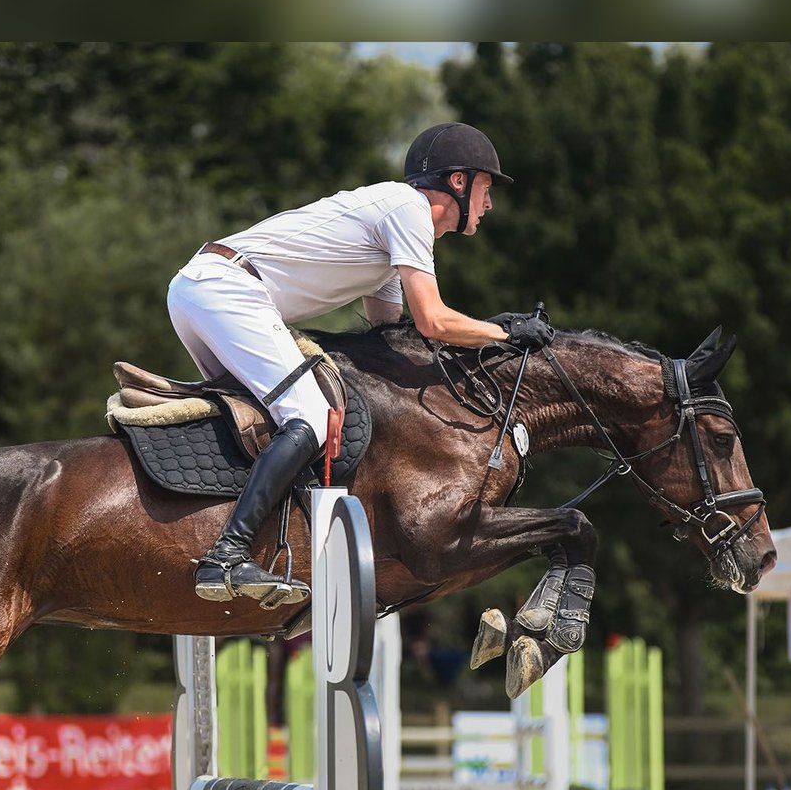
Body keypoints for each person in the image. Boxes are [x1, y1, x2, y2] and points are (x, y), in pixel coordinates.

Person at [167, 122, 554, 607]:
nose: (489, 202)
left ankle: (245, 540)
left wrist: (486, 335)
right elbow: (433, 321)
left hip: (203, 288)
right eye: (486, 187)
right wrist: (504, 333)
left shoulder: (394, 239)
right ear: (458, 181)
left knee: (266, 422)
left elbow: (391, 337)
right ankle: (227, 553)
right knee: (308, 414)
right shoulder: (409, 211)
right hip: (226, 290)